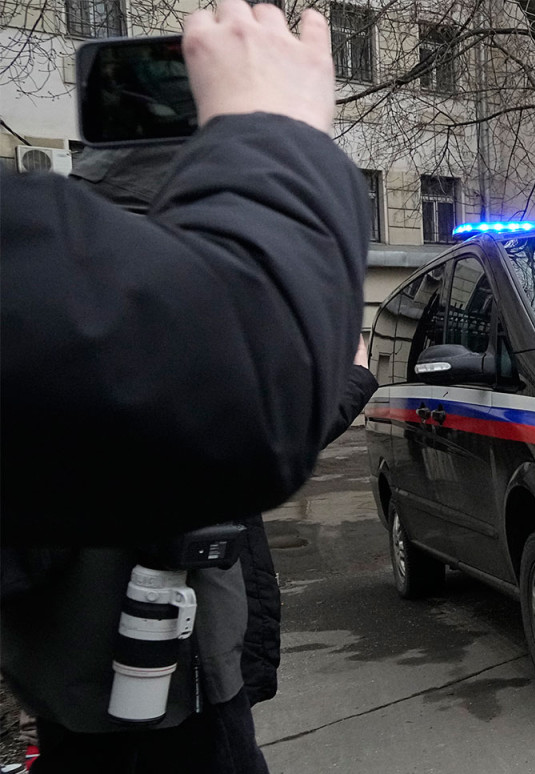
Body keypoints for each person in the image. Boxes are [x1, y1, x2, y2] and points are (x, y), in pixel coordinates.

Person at [1, 2, 370, 771]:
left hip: (91, 694)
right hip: (150, 700)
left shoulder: (65, 289)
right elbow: (241, 414)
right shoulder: (115, 305)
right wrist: (281, 140)